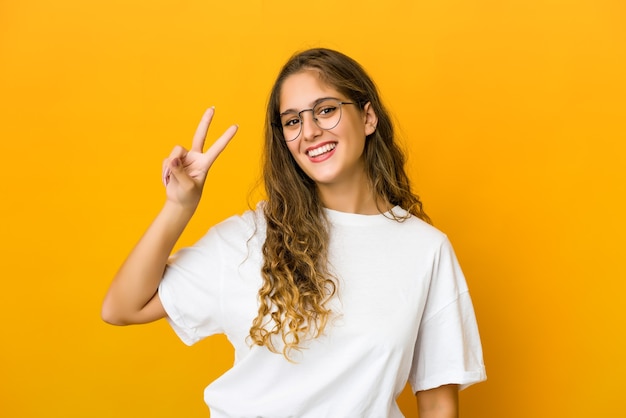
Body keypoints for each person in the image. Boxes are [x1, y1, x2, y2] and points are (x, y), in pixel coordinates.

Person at [102, 48, 486, 418]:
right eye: (292, 121)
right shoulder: (247, 238)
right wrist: (179, 206)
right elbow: (122, 307)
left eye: (326, 110)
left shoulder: (424, 249)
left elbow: (437, 404)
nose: (310, 132)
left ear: (368, 118)